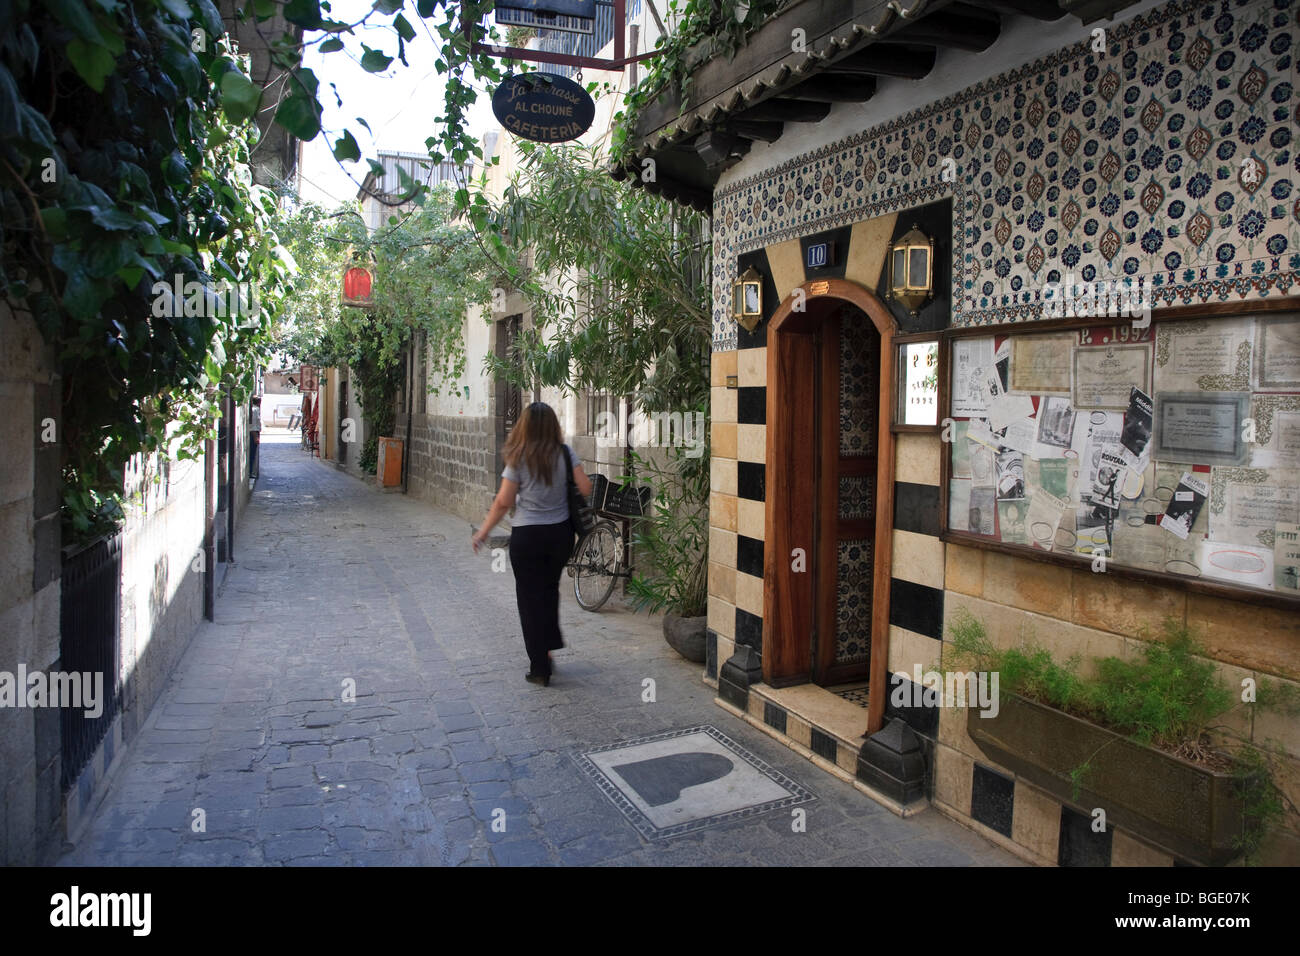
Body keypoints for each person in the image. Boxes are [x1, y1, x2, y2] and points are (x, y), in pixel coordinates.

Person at [472, 402, 592, 687]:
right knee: (549, 593)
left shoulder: (519, 457)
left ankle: (540, 666)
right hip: (559, 536)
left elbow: (503, 502)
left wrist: (483, 532)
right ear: (552, 425)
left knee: (529, 599)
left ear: (524, 425)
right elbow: (586, 488)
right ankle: (548, 650)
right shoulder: (565, 452)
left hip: (527, 537)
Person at [249, 396, 262, 479]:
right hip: (254, 433)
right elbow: (253, 425)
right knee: (252, 454)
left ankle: (251, 472)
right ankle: (250, 472)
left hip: (254, 433)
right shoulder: (255, 410)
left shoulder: (255, 409)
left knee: (252, 454)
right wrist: (256, 437)